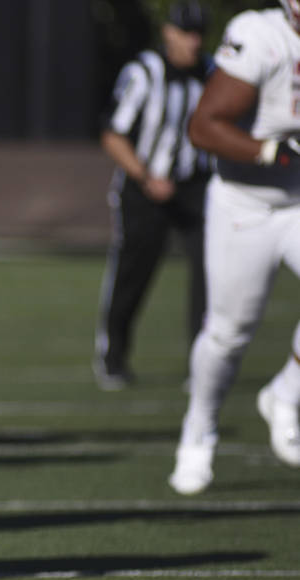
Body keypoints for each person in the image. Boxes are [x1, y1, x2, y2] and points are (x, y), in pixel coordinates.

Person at [169, 1, 300, 494]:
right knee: (228, 334)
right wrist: (269, 150)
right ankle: (198, 432)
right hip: (244, 204)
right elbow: (203, 126)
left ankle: (286, 393)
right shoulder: (260, 35)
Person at [93, 0, 212, 391]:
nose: (193, 42)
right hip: (144, 186)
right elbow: (113, 134)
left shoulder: (212, 73)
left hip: (196, 186)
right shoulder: (145, 72)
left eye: (198, 33)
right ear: (168, 32)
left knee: (211, 273)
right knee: (133, 273)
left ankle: (203, 364)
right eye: (185, 32)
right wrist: (146, 176)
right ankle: (113, 356)